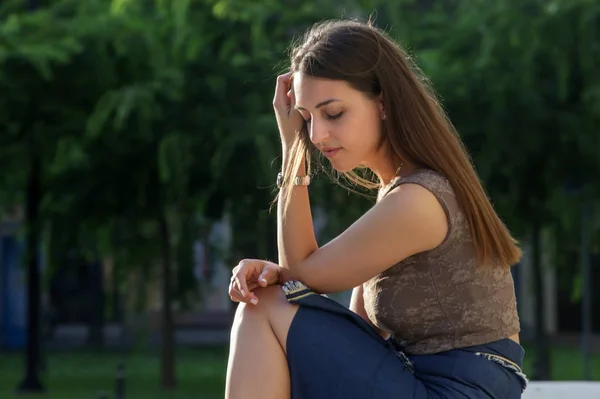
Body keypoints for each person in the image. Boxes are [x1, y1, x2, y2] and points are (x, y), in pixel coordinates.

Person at [225, 18, 527, 399]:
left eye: (333, 113)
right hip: (421, 379)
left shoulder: (417, 201)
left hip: (457, 390)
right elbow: (359, 331)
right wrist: (282, 274)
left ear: (382, 104)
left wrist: (292, 152)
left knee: (262, 304)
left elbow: (303, 271)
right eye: (305, 119)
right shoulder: (399, 194)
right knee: (265, 299)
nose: (316, 135)